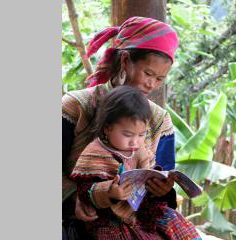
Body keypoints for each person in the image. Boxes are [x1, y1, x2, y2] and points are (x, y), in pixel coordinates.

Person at [62, 16, 180, 237]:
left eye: (160, 79)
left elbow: (164, 179)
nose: (151, 84)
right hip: (74, 222)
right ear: (125, 60)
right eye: (148, 73)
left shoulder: (160, 121)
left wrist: (162, 190)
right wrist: (74, 198)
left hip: (132, 223)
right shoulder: (76, 106)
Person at [71, 85, 201, 239]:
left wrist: (159, 187)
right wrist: (110, 192)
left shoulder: (141, 151)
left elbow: (148, 178)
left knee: (174, 221)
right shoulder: (95, 153)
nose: (134, 141)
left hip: (144, 212)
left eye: (141, 135)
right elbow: (84, 190)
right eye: (127, 134)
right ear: (107, 128)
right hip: (110, 219)